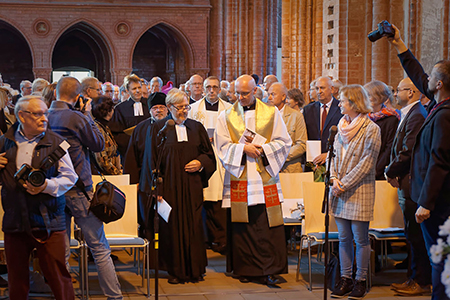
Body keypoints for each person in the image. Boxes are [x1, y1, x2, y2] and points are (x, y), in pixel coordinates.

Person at [387, 24, 450, 300]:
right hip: (432, 201)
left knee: (441, 259)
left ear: (438, 85)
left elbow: (440, 160)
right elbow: (418, 73)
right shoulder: (438, 105)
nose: (423, 81)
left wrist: (426, 202)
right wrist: (399, 44)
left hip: (437, 204)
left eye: (431, 77)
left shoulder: (445, 115)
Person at [48, 76, 123, 299]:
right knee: (99, 247)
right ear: (79, 96)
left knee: (61, 251)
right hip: (79, 189)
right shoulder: (75, 117)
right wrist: (87, 114)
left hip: (53, 190)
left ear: (55, 93)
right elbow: (98, 143)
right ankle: (114, 296)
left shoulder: (44, 116)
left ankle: (65, 294)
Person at [215, 75, 292, 286]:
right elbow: (221, 147)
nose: (240, 97)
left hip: (263, 176)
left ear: (255, 90)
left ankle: (270, 269)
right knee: (243, 225)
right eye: (237, 93)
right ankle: (245, 268)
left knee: (267, 224)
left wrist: (263, 149)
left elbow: (285, 142)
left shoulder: (271, 112)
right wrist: (242, 149)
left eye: (245, 93)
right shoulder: (226, 116)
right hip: (240, 176)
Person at [0, 95, 78, 299]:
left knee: (58, 278)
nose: (44, 118)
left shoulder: (57, 142)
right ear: (22, 116)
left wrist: (46, 186)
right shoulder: (4, 142)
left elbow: (70, 177)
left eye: (46, 113)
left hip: (50, 221)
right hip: (15, 220)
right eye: (38, 114)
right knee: (16, 280)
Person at [141, 88, 216, 284]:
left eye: (186, 107)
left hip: (192, 187)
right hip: (170, 188)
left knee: (194, 227)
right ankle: (176, 271)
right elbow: (151, 161)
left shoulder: (196, 127)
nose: (184, 111)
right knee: (172, 229)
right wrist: (156, 190)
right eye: (180, 108)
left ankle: (196, 270)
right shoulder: (158, 128)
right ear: (169, 108)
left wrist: (200, 163)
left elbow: (209, 155)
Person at [329, 85, 381, 299]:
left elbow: (367, 163)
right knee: (343, 238)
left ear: (353, 102)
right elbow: (332, 156)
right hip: (339, 190)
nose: (339, 104)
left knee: (360, 239)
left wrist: (343, 183)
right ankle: (346, 278)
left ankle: (360, 280)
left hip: (359, 190)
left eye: (342, 100)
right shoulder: (341, 126)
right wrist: (333, 178)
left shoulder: (371, 129)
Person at [384, 77, 431, 296]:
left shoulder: (417, 115)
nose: (395, 94)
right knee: (411, 234)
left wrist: (390, 170)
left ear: (410, 92)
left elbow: (408, 150)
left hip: (413, 185)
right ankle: (412, 278)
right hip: (406, 183)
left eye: (398, 90)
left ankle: (420, 281)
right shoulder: (409, 113)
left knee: (416, 236)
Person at [188, 76, 232, 254]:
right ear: (203, 89)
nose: (212, 90)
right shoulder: (192, 109)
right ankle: (204, 238)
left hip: (222, 158)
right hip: (202, 157)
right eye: (208, 87)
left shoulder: (229, 109)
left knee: (220, 201)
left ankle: (221, 239)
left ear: (220, 89)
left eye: (215, 87)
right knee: (204, 199)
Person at [124, 92, 168, 239]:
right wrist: (134, 182)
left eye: (162, 107)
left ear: (167, 109)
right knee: (147, 218)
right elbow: (132, 157)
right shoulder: (140, 129)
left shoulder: (173, 127)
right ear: (149, 110)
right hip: (145, 180)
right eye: (155, 107)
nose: (159, 110)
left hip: (168, 179)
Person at [303, 76, 343, 167]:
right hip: (312, 160)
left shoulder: (341, 108)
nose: (319, 91)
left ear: (332, 89)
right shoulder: (308, 110)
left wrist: (329, 154)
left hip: (334, 160)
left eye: (322, 88)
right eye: (317, 88)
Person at [268, 82, 307, 173]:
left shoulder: (296, 116)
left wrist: (280, 157)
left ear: (283, 97)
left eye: (273, 94)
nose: (269, 98)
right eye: (268, 94)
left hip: (290, 168)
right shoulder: (263, 116)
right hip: (268, 168)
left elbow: (301, 144)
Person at [364, 80, 400, 180]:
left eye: (368, 95)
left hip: (378, 171)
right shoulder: (363, 117)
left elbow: (389, 148)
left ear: (379, 97)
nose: (365, 99)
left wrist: (375, 170)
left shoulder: (391, 118)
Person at [109, 74, 150, 158]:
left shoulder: (150, 104)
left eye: (139, 87)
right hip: (130, 149)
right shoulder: (120, 108)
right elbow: (116, 133)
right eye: (134, 88)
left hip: (149, 148)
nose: (138, 91)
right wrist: (133, 142)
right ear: (127, 90)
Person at [91, 96, 122, 175]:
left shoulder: (104, 126)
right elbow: (102, 160)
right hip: (104, 176)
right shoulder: (98, 129)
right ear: (109, 111)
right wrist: (117, 173)